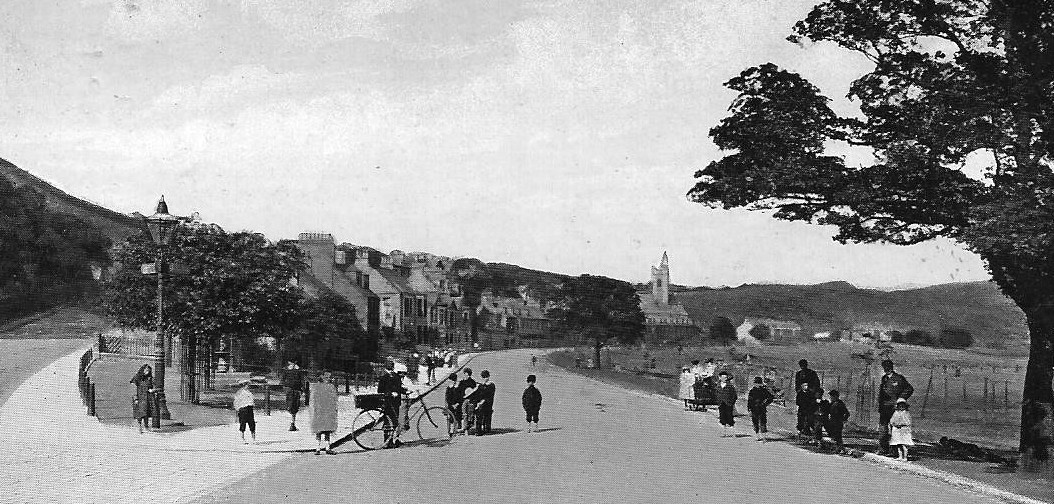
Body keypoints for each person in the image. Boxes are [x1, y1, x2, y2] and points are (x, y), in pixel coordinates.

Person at [878, 360, 914, 455]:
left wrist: (901, 398)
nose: (886, 369)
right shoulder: (884, 378)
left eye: (888, 367)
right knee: (883, 429)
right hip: (885, 408)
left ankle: (895, 451)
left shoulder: (899, 378)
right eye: (884, 367)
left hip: (895, 408)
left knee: (895, 430)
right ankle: (883, 449)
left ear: (891, 367)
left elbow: (909, 389)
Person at [377, 360, 406, 448]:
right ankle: (387, 442)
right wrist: (390, 393)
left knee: (394, 421)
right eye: (390, 366)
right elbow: (380, 390)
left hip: (395, 401)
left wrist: (404, 390)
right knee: (388, 422)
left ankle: (394, 440)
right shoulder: (384, 376)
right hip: (388, 402)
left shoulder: (395, 375)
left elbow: (397, 387)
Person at [309, 372, 338, 455]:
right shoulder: (329, 387)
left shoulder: (318, 387)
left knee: (325, 430)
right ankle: (320, 448)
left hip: (324, 410)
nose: (329, 379)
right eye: (328, 378)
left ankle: (323, 448)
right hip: (323, 410)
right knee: (322, 430)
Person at [129, 364, 155, 434]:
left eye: (149, 371)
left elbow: (153, 386)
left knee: (146, 413)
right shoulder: (137, 378)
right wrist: (135, 398)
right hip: (139, 398)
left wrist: (152, 390)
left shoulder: (149, 378)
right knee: (139, 414)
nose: (147, 372)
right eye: (146, 370)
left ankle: (146, 426)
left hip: (147, 398)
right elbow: (133, 389)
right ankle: (140, 427)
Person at [747, 376, 774, 442]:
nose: (757, 385)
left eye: (759, 383)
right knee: (755, 423)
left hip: (762, 409)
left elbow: (770, 398)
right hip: (754, 409)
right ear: (754, 383)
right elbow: (749, 401)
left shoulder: (764, 390)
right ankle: (757, 436)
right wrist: (749, 409)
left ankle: (764, 437)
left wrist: (765, 404)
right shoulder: (752, 391)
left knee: (763, 422)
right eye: (756, 383)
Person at [280, 361, 304, 431]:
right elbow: (282, 381)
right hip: (291, 390)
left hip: (295, 390)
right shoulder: (287, 370)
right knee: (291, 407)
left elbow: (302, 381)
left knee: (294, 407)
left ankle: (292, 423)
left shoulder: (298, 370)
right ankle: (292, 423)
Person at [472, 370, 496, 435]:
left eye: (486, 377)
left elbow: (489, 395)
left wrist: (482, 402)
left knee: (487, 415)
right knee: (479, 415)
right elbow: (477, 395)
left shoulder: (491, 385)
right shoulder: (480, 386)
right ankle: (478, 430)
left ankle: (487, 429)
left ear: (488, 377)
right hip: (480, 403)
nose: (485, 379)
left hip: (488, 403)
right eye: (484, 377)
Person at [233, 379, 256, 444]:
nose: (248, 386)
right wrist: (238, 409)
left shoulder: (249, 392)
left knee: (252, 423)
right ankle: (242, 438)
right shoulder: (240, 393)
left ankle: (253, 438)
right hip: (243, 409)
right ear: (243, 385)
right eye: (246, 385)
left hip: (250, 408)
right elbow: (236, 402)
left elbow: (252, 400)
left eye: (248, 385)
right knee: (243, 423)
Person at [714, 371, 737, 437]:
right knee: (722, 417)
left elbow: (734, 396)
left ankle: (733, 433)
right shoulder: (717, 386)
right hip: (721, 403)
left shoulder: (730, 386)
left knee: (730, 417)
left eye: (726, 377)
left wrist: (731, 402)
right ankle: (724, 433)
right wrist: (718, 401)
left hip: (728, 403)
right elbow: (715, 394)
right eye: (723, 377)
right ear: (720, 378)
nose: (725, 379)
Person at [456, 368, 478, 434]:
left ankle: (465, 428)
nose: (465, 375)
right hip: (464, 400)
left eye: (465, 373)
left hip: (468, 400)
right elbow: (459, 392)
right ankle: (463, 427)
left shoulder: (471, 382)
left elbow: (474, 392)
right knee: (463, 412)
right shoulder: (464, 382)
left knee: (466, 413)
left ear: (466, 374)